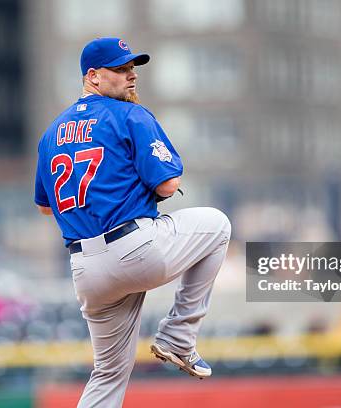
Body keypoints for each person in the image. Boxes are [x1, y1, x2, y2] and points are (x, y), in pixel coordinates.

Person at [33, 37, 231, 408]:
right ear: (92, 76)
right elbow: (168, 184)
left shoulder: (50, 134)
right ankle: (179, 337)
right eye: (120, 69)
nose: (131, 75)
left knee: (107, 373)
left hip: (86, 269)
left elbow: (46, 208)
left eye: (132, 68)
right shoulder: (129, 115)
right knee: (217, 225)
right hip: (137, 248)